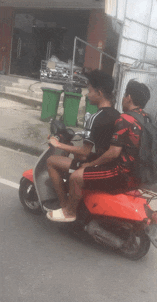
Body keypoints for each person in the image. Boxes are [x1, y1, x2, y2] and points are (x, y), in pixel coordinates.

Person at [47, 79, 151, 222]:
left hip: (121, 171)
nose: (123, 99)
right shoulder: (146, 120)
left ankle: (69, 211)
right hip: (138, 172)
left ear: (129, 98)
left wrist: (91, 165)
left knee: (76, 177)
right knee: (84, 163)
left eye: (125, 95)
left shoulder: (126, 119)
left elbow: (113, 152)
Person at [46, 69, 120, 221]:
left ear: (99, 93)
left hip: (98, 164)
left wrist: (58, 145)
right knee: (76, 155)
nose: (87, 94)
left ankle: (66, 208)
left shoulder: (95, 117)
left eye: (90, 90)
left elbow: (85, 151)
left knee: (52, 161)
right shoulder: (117, 115)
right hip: (110, 163)